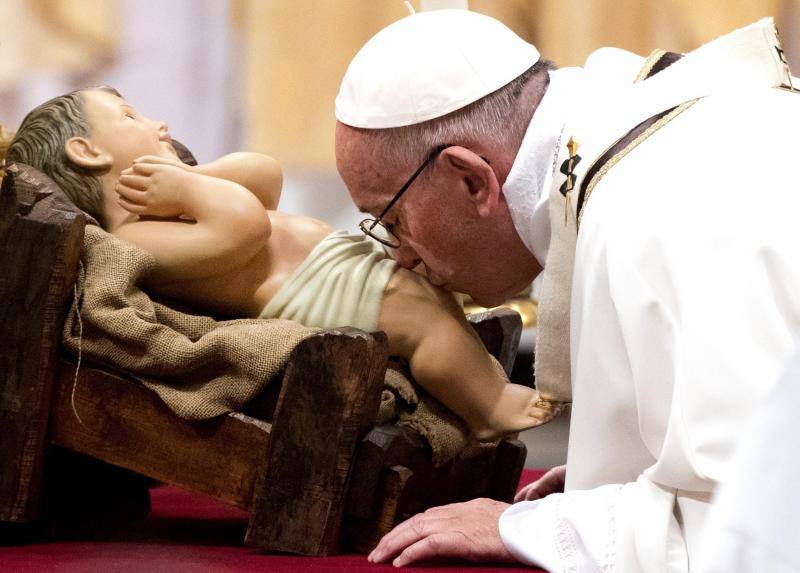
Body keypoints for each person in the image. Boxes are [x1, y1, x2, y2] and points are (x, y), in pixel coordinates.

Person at [334, 8, 800, 571]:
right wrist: (617, 482)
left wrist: (549, 530)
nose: (400, 256)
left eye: (392, 219)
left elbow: (756, 525)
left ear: (472, 178)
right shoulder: (660, 141)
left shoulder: (652, 212)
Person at [3, 86, 556, 442]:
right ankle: (486, 406)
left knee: (436, 297)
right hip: (309, 295)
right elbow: (245, 228)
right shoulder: (135, 238)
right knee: (426, 322)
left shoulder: (175, 198)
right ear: (88, 152)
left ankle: (481, 377)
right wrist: (191, 189)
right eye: (130, 117)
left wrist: (191, 179)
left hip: (333, 267)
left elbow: (264, 176)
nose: (160, 124)